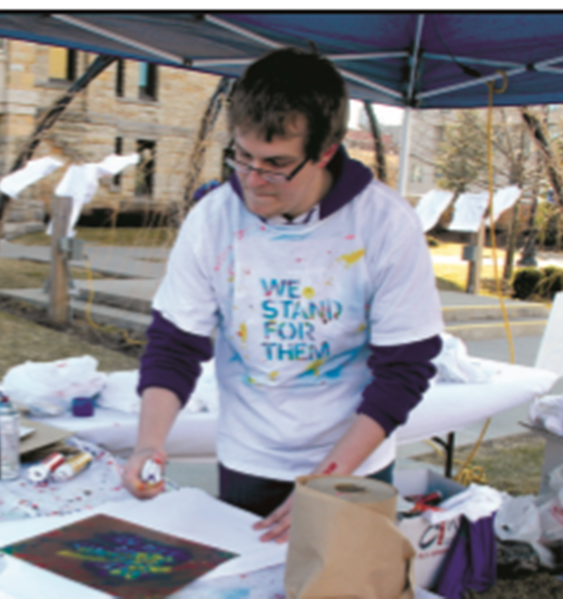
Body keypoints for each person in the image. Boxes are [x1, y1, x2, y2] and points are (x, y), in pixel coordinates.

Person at [121, 47, 444, 543]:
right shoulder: (214, 217)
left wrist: (326, 480)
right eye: (242, 157)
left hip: (353, 465)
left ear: (325, 152)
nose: (252, 181)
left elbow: (404, 370)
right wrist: (149, 444)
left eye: (276, 165)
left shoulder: (385, 224)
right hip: (248, 459)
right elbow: (175, 344)